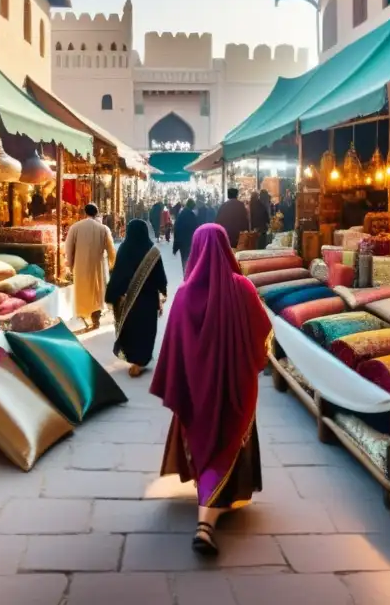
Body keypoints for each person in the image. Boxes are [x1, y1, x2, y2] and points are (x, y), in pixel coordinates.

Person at [150, 225, 271, 556]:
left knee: (205, 440)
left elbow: (171, 346)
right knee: (227, 441)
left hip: (195, 389)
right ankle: (206, 524)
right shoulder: (243, 288)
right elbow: (265, 332)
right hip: (237, 387)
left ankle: (209, 511)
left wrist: (181, 380)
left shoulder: (184, 294)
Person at [105, 219, 167, 377]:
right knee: (146, 330)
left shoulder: (124, 249)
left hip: (129, 300)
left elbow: (118, 274)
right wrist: (163, 291)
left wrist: (113, 294)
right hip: (148, 300)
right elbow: (160, 276)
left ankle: (134, 360)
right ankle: (141, 361)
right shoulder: (152, 251)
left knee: (131, 330)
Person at [65, 203, 117, 331]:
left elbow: (68, 247)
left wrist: (70, 265)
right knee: (97, 292)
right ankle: (96, 318)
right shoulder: (103, 229)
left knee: (83, 292)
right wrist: (112, 265)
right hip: (97, 267)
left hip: (80, 266)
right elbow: (111, 250)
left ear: (84, 213)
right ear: (97, 213)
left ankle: (85, 317)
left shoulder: (75, 227)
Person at [172, 199, 200, 269]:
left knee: (184, 260)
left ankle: (186, 277)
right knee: (190, 261)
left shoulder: (181, 214)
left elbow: (176, 229)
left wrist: (175, 245)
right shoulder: (192, 216)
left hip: (183, 243)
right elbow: (196, 229)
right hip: (190, 242)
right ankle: (189, 277)